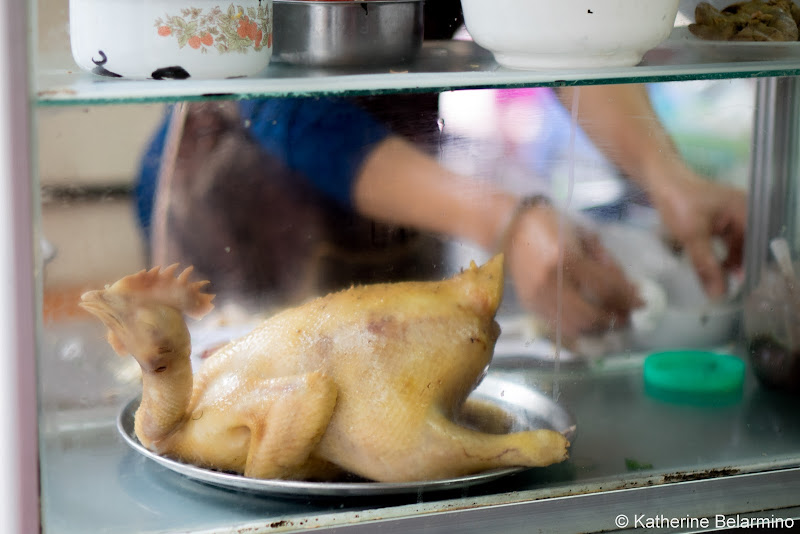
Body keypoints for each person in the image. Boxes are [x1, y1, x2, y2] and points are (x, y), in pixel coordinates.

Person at [136, 4, 747, 344]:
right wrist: (506, 221)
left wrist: (666, 178)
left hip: (395, 197)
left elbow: (560, 28)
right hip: (242, 206)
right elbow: (277, 99)